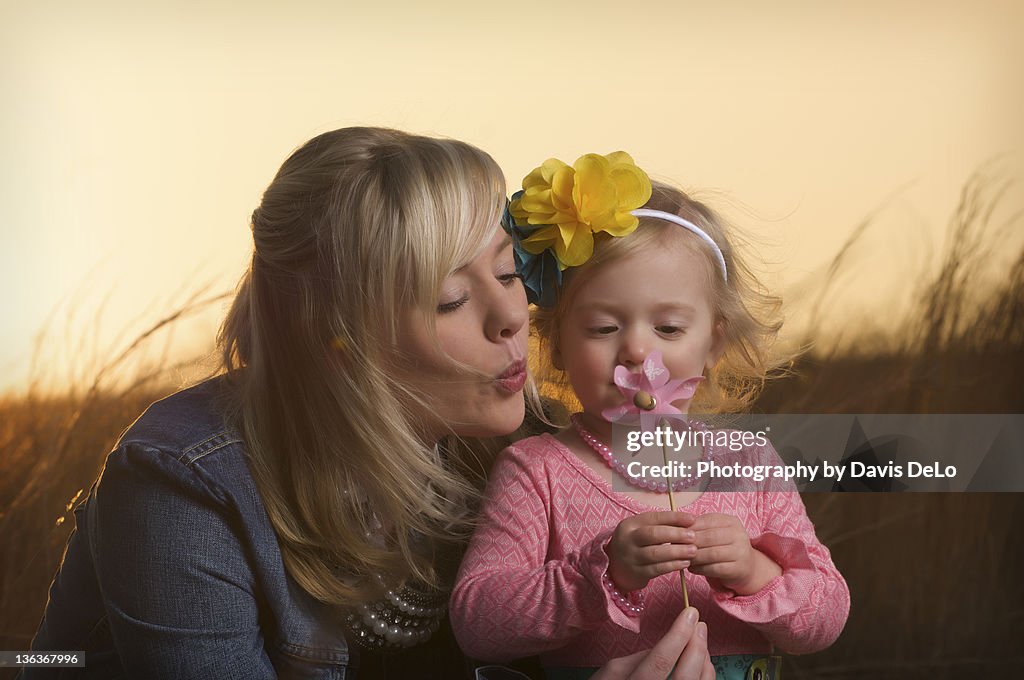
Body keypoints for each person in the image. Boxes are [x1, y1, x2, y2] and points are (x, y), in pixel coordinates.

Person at [22, 129, 715, 680]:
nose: (509, 315)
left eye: (508, 271)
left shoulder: (526, 451)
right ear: (342, 344)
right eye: (449, 299)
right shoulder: (182, 485)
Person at [449, 152, 851, 679]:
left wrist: (755, 571)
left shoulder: (750, 463)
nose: (638, 351)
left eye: (668, 329)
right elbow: (478, 624)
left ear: (713, 344)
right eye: (602, 328)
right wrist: (601, 574)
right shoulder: (535, 471)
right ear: (557, 346)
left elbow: (827, 618)